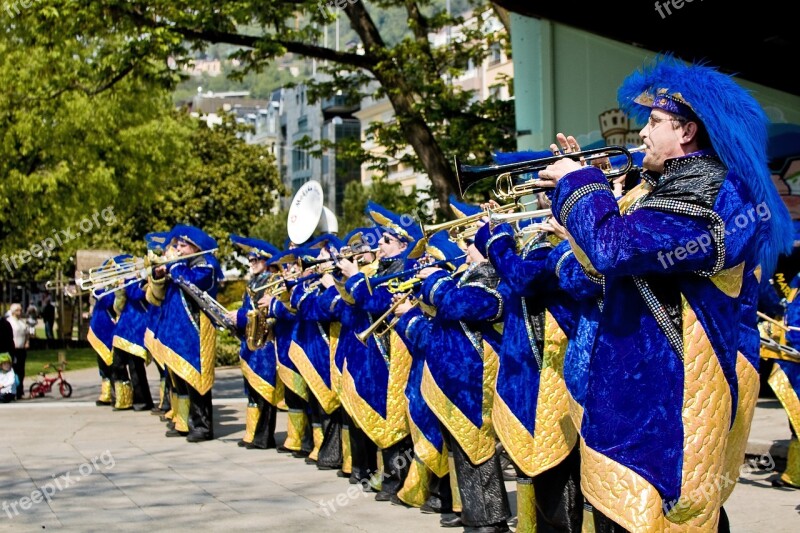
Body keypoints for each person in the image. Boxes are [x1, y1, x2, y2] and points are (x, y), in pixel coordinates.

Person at [534, 56, 793, 531]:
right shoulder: (664, 191)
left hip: (668, 408)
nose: (642, 134)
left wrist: (580, 185)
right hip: (634, 400)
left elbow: (615, 247)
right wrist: (577, 202)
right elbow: (594, 273)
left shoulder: (712, 193)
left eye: (653, 122)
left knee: (672, 517)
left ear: (687, 131)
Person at [6, 303, 29, 400]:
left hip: (21, 349)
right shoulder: (9, 322)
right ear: (13, 312)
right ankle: (11, 391)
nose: (20, 312)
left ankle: (20, 391)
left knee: (21, 371)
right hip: (13, 350)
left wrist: (27, 342)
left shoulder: (22, 322)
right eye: (17, 310)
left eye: (20, 310)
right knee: (13, 371)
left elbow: (26, 333)